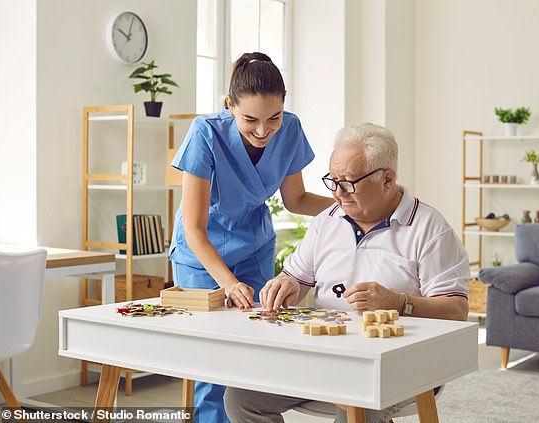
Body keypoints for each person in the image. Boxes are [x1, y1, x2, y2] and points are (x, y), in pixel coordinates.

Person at [223, 123, 470, 423]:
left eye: (348, 183)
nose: (337, 194)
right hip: (324, 358)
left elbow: (456, 310)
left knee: (357, 403)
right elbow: (296, 279)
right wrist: (285, 284)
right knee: (241, 398)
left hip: (400, 365)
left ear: (387, 179)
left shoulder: (430, 229)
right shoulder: (326, 221)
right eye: (333, 181)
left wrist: (398, 303)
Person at [169, 52, 334, 423]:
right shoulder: (205, 133)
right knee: (213, 361)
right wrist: (227, 283)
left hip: (255, 246)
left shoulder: (289, 129)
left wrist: (351, 206)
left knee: (258, 349)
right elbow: (193, 229)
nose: (263, 131)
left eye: (273, 118)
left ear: (284, 103)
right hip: (202, 255)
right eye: (250, 120)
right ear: (229, 106)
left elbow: (297, 200)